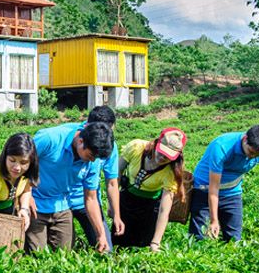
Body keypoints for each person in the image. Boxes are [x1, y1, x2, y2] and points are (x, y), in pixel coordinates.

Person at [27, 122, 114, 253]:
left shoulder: (93, 161)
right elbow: (20, 164)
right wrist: (26, 194)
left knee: (65, 254)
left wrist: (101, 234)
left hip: (62, 206)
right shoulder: (49, 139)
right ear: (80, 141)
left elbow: (91, 199)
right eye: (90, 156)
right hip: (35, 204)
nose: (92, 161)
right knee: (36, 254)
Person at [189, 124, 259, 242]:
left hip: (232, 192)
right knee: (200, 236)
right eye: (250, 152)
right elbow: (213, 189)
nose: (251, 157)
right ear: (245, 139)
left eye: (256, 155)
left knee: (234, 239)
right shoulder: (222, 146)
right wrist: (214, 220)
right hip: (205, 189)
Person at [112, 128, 187, 252]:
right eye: (162, 152)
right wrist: (113, 206)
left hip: (149, 207)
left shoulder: (171, 172)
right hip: (126, 199)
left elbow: (164, 210)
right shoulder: (136, 147)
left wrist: (155, 242)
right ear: (157, 143)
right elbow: (117, 173)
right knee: (118, 243)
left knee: (142, 244)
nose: (163, 157)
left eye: (168, 156)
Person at [68, 106, 124, 251]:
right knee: (63, 250)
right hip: (61, 202)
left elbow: (111, 182)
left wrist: (117, 215)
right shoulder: (73, 136)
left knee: (105, 250)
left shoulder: (110, 146)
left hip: (89, 201)